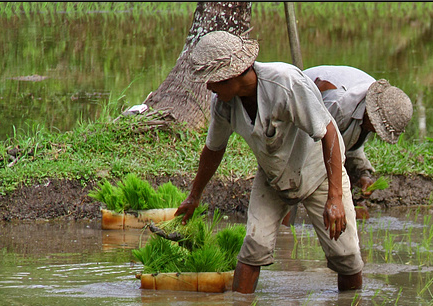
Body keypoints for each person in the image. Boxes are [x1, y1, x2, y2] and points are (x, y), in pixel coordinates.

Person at [175, 31, 363, 292]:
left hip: (318, 171)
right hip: (273, 175)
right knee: (253, 248)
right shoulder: (223, 104)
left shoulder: (285, 83)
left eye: (212, 81)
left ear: (231, 76)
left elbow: (328, 132)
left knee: (347, 257)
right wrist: (194, 195)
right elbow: (213, 149)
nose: (208, 88)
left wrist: (335, 197)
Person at [302, 65, 413, 198]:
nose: (376, 132)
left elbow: (351, 139)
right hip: (296, 122)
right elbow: (312, 148)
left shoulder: (376, 102)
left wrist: (362, 173)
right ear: (371, 116)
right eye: (377, 127)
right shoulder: (340, 106)